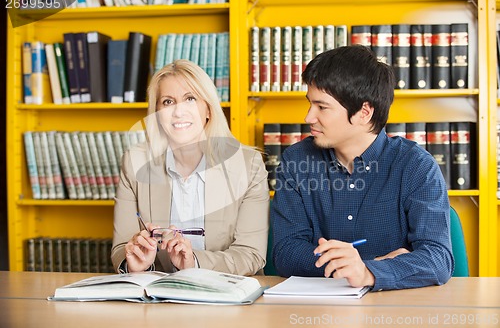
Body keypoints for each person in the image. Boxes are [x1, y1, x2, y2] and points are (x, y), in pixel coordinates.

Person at [271, 45, 454, 290]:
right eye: (310, 104)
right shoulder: (296, 161)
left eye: (322, 107)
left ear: (364, 112)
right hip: (315, 312)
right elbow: (286, 252)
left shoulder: (416, 166)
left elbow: (439, 258)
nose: (308, 117)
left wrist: (368, 272)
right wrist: (361, 266)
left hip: (396, 311)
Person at [112, 59, 269, 276]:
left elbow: (251, 254)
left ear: (208, 109)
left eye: (190, 99)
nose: (178, 112)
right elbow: (121, 248)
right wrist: (136, 262)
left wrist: (193, 262)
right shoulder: (135, 162)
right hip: (157, 297)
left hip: (227, 297)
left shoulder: (247, 164)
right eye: (167, 102)